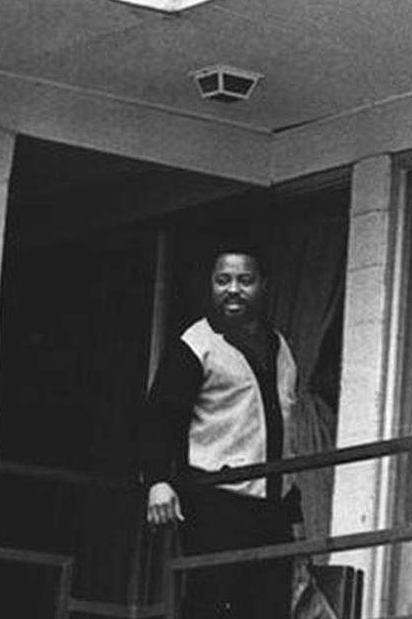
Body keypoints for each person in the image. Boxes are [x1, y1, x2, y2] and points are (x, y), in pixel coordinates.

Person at [141, 246, 302, 619]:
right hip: (216, 501)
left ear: (263, 285)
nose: (233, 289)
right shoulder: (195, 345)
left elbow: (284, 424)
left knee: (269, 609)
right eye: (223, 280)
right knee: (211, 606)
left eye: (245, 280)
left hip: (273, 506)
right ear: (210, 286)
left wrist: (293, 500)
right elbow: (158, 418)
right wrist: (158, 481)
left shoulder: (281, 347)